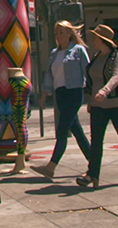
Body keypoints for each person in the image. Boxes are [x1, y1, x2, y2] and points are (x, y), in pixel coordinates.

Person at [77, 24, 118, 188]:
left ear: (103, 40)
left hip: (117, 102)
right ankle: (92, 175)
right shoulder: (96, 57)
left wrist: (105, 91)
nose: (92, 41)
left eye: (95, 38)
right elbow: (92, 81)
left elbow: (116, 76)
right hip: (98, 105)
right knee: (96, 140)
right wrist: (91, 100)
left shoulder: (117, 56)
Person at [30, 20, 91, 180]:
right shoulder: (54, 53)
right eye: (57, 33)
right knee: (77, 131)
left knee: (62, 130)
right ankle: (94, 162)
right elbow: (49, 75)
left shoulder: (78, 50)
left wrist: (93, 92)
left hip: (74, 92)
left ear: (70, 34)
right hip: (61, 94)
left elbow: (88, 71)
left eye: (62, 33)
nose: (59, 36)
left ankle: (51, 166)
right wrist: (44, 93)